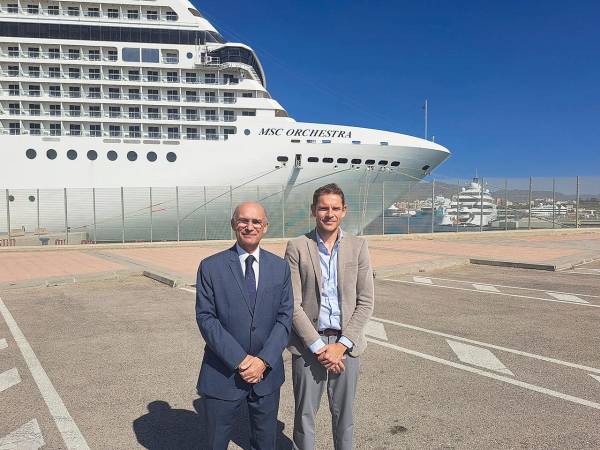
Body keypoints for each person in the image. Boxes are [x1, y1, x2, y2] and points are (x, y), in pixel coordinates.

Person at [196, 202, 293, 450]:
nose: (249, 227)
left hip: (266, 375)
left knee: (265, 444)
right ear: (233, 224)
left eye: (256, 222)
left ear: (265, 227)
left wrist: (263, 360)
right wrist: (241, 360)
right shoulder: (210, 266)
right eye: (243, 221)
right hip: (222, 374)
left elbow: (285, 317)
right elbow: (206, 319)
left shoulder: (279, 268)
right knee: (215, 443)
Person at [285, 183, 374, 450]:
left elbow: (366, 301)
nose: (329, 213)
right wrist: (320, 348)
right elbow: (292, 303)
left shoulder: (358, 246)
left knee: (344, 417)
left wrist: (341, 345)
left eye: (335, 208)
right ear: (314, 211)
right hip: (308, 345)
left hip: (347, 346)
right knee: (304, 417)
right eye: (323, 208)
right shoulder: (297, 246)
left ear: (344, 211)